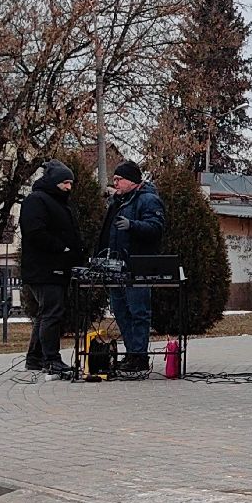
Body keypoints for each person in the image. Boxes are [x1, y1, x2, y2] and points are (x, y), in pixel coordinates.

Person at [97, 159, 166, 378]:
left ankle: (139, 355)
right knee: (120, 311)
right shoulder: (119, 202)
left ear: (132, 181)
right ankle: (131, 352)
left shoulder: (148, 200)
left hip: (137, 266)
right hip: (116, 267)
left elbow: (156, 228)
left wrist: (133, 225)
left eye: (119, 179)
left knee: (138, 312)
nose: (115, 183)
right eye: (114, 179)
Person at [18, 159, 85, 379]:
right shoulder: (37, 200)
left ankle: (35, 358)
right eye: (65, 182)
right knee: (52, 313)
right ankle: (51, 360)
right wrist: (61, 248)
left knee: (46, 313)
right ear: (54, 181)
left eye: (70, 183)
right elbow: (35, 232)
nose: (69, 187)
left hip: (55, 267)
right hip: (45, 268)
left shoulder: (57, 202)